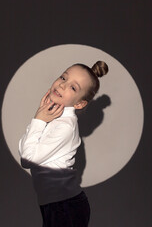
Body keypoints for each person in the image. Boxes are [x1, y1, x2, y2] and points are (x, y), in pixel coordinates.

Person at [19, 60, 109, 227]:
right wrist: (40, 117)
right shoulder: (50, 115)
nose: (62, 85)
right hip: (55, 204)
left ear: (80, 103)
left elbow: (26, 158)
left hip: (65, 206)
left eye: (73, 87)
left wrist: (38, 119)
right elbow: (25, 147)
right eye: (63, 77)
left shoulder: (65, 126)